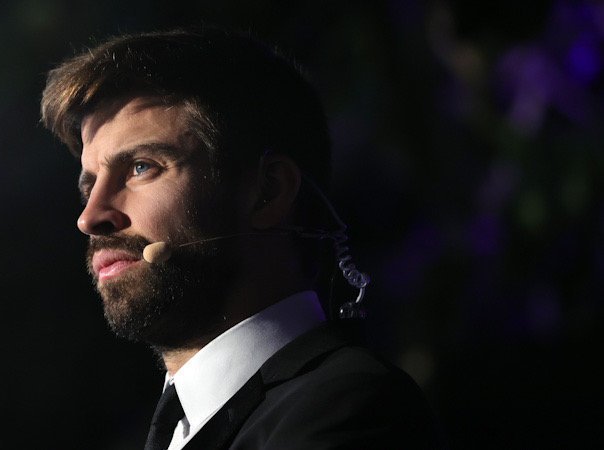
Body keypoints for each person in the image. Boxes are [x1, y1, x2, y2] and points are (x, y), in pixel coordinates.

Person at [40, 27, 440, 449]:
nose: (90, 217)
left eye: (141, 167)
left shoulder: (348, 407)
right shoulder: (178, 428)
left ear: (268, 191)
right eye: (89, 186)